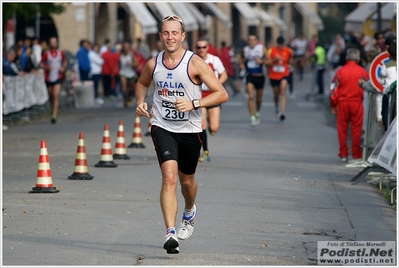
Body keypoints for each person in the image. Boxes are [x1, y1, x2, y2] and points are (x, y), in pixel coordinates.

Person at [135, 15, 228, 254]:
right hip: (162, 126)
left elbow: (222, 94)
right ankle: (170, 233)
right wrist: (140, 101)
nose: (170, 37)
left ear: (183, 36)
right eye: (166, 33)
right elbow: (142, 83)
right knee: (169, 178)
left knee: (187, 181)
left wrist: (194, 103)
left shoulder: (195, 63)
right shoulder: (153, 63)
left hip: (190, 130)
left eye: (174, 33)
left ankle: (189, 210)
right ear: (160, 36)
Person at [330, 48, 369, 162]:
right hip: (357, 103)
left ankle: (343, 154)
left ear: (346, 58)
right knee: (356, 129)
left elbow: (333, 89)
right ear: (358, 59)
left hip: (342, 103)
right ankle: (356, 154)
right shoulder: (362, 72)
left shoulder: (340, 71)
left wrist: (333, 104)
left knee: (342, 129)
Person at [196, 38, 228, 162]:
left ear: (207, 48)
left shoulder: (215, 60)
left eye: (204, 47)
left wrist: (216, 85)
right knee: (202, 123)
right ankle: (205, 151)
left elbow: (224, 74)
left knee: (214, 128)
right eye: (199, 47)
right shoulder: (193, 60)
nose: (201, 50)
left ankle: (211, 126)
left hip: (213, 95)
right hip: (199, 96)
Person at [240, 34, 267, 126]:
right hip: (249, 76)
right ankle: (252, 117)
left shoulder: (262, 49)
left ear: (257, 41)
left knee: (259, 98)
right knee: (251, 96)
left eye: (253, 40)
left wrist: (262, 62)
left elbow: (269, 61)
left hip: (260, 76)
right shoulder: (245, 49)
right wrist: (242, 65)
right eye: (250, 40)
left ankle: (257, 112)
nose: (251, 42)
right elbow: (241, 59)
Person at [265, 36, 293, 121]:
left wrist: (290, 64)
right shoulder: (271, 50)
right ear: (277, 44)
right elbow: (267, 63)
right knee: (276, 93)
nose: (280, 46)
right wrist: (274, 60)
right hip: (274, 75)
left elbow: (291, 58)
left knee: (283, 91)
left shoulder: (288, 50)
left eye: (282, 45)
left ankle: (283, 111)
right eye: (279, 45)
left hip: (284, 73)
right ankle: (277, 106)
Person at [39, 37, 67, 124]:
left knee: (55, 95)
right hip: (48, 77)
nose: (53, 44)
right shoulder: (46, 54)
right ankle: (52, 108)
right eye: (52, 42)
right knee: (50, 95)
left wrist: (63, 67)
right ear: (50, 44)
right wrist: (46, 68)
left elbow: (65, 62)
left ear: (57, 43)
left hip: (58, 76)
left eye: (55, 42)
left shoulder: (60, 53)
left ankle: (54, 115)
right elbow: (40, 64)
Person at [119, 41, 137, 107]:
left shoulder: (131, 55)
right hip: (123, 72)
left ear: (129, 48)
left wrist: (131, 64)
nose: (126, 48)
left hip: (130, 73)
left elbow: (136, 63)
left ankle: (129, 96)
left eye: (127, 47)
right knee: (124, 87)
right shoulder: (120, 54)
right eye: (125, 47)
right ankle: (125, 100)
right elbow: (118, 63)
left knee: (129, 87)